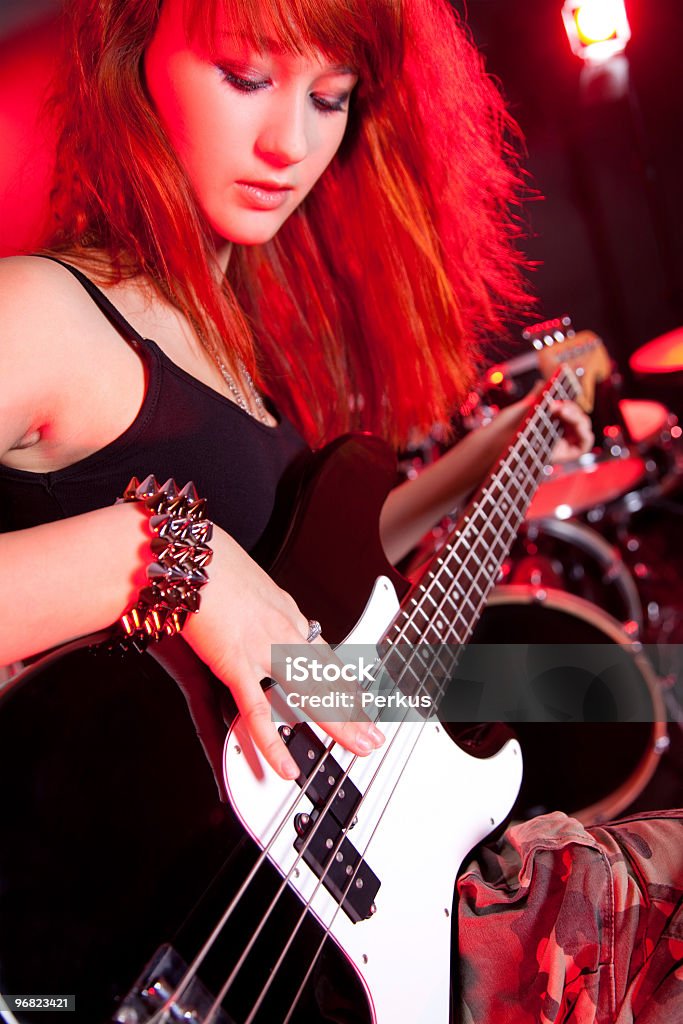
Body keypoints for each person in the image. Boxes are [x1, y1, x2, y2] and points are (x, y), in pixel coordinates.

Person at [0, 0, 679, 1021]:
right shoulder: (44, 312)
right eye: (243, 77)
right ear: (139, 49)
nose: (290, 143)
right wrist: (175, 561)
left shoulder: (234, 356)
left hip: (336, 914)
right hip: (166, 937)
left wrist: (499, 458)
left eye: (329, 99)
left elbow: (307, 584)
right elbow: (221, 580)